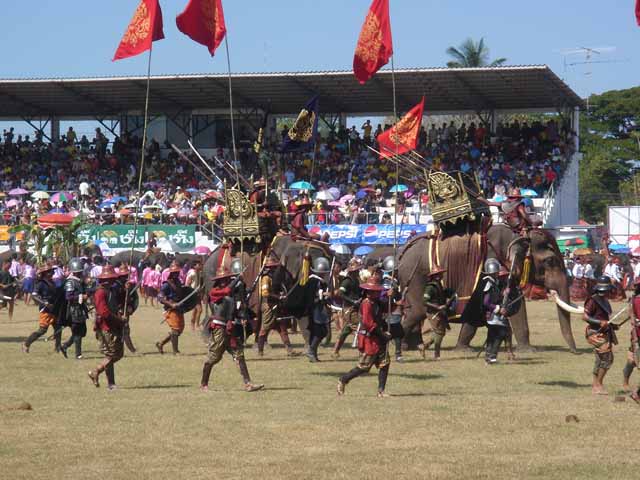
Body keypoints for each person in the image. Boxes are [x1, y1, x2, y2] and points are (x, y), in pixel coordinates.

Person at [200, 268, 263, 393]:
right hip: (219, 328)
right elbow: (227, 290)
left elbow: (235, 307)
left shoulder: (231, 293)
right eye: (222, 280)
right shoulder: (215, 292)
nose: (225, 281)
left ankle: (248, 384)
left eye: (226, 279)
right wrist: (237, 280)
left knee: (239, 355)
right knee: (214, 357)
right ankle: (203, 384)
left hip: (230, 328)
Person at [337, 275, 391, 397]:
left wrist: (390, 297)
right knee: (364, 367)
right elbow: (368, 323)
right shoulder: (366, 304)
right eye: (375, 291)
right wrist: (383, 335)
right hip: (370, 339)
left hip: (379, 339)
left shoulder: (377, 302)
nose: (377, 293)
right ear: (369, 292)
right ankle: (343, 379)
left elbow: (387, 309)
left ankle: (381, 391)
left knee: (385, 363)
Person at [88, 266, 124, 390]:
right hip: (105, 326)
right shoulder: (100, 292)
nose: (114, 281)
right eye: (112, 279)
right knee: (112, 354)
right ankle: (97, 372)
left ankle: (110, 383)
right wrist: (119, 319)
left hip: (113, 325)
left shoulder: (110, 290)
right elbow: (104, 312)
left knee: (115, 354)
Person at [257, 257, 301, 357]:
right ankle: (260, 350)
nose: (275, 269)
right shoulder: (266, 278)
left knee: (282, 328)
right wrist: (279, 296)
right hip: (268, 306)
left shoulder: (277, 278)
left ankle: (290, 350)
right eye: (273, 267)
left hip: (277, 305)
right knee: (265, 328)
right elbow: (265, 293)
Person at [583, 276, 619, 395]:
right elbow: (585, 317)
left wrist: (611, 325)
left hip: (604, 332)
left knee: (600, 359)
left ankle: (595, 385)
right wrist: (600, 323)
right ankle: (598, 384)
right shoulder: (593, 300)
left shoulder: (605, 300)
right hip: (595, 333)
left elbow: (604, 318)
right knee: (607, 358)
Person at [22, 265, 62, 353]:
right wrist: (45, 303)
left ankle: (57, 348)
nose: (52, 273)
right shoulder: (40, 283)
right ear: (45, 273)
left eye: (52, 271)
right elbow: (34, 295)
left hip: (54, 309)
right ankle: (26, 343)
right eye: (50, 271)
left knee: (58, 328)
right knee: (42, 330)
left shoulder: (53, 282)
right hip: (45, 310)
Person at [481, 261, 511, 364]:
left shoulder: (493, 282)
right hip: (493, 314)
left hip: (493, 313)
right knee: (501, 333)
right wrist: (498, 309)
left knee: (492, 336)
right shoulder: (489, 283)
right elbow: (486, 302)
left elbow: (496, 296)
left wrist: (504, 293)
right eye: (497, 272)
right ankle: (492, 356)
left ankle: (488, 357)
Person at [421, 266, 453, 360]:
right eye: (437, 274)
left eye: (440, 274)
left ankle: (424, 346)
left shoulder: (439, 285)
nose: (439, 276)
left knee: (440, 332)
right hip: (433, 312)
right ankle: (436, 355)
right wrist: (438, 307)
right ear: (433, 276)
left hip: (440, 312)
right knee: (439, 332)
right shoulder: (430, 287)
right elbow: (424, 301)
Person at [331, 258, 362, 358]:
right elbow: (340, 293)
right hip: (349, 308)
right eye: (356, 270)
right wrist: (352, 301)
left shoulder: (356, 280)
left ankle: (335, 350)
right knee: (359, 328)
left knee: (346, 330)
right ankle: (362, 351)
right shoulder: (347, 281)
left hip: (356, 308)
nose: (358, 272)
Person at [60, 258, 89, 359]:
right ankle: (78, 354)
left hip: (80, 309)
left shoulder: (80, 281)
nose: (81, 273)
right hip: (73, 310)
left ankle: (65, 346)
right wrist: (81, 297)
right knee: (77, 332)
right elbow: (68, 297)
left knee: (82, 332)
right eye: (79, 272)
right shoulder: (70, 282)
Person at [305, 257, 332, 362]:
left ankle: (313, 353)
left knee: (321, 331)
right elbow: (311, 295)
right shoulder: (312, 280)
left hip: (320, 308)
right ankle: (311, 351)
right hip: (314, 309)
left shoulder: (321, 282)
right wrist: (322, 294)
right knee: (319, 331)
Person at [156, 262, 186, 355]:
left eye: (178, 272)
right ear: (171, 273)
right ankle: (175, 351)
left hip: (179, 308)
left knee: (178, 331)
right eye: (175, 272)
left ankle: (161, 344)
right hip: (170, 309)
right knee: (175, 330)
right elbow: (160, 297)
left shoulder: (178, 282)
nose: (177, 274)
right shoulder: (167, 284)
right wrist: (170, 303)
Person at [623, 278, 640, 403]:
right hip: (638, 335)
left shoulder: (634, 300)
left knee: (632, 360)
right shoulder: (636, 301)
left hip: (636, 335)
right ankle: (635, 391)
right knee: (632, 361)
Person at [114, 265, 138, 354]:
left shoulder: (130, 285)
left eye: (126, 275)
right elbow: (114, 299)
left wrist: (131, 307)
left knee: (124, 329)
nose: (124, 277)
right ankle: (131, 349)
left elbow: (134, 298)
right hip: (118, 311)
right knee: (121, 329)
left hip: (126, 310)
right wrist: (124, 290)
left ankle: (127, 349)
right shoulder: (115, 285)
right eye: (123, 276)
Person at [185, 260, 204, 330]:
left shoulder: (199, 273)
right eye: (199, 265)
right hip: (193, 294)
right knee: (199, 310)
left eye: (201, 265)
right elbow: (187, 284)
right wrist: (189, 292)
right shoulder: (192, 273)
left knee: (195, 310)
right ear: (194, 266)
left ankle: (194, 324)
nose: (201, 266)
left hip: (197, 294)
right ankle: (196, 324)